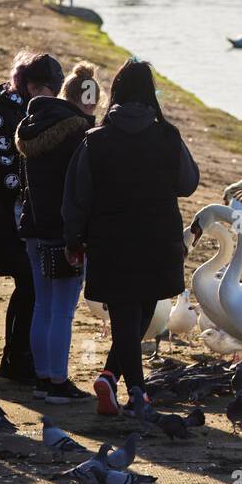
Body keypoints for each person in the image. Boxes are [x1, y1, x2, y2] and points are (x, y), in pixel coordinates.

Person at [63, 58, 199, 415]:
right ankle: (137, 392)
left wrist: (73, 239)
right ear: (151, 95)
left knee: (126, 312)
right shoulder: (168, 136)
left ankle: (112, 378)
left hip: (111, 240)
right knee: (141, 308)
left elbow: (77, 197)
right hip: (158, 239)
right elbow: (188, 183)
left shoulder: (95, 141)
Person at [0, 51, 64, 383]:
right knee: (28, 284)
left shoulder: (31, 113)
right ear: (27, 84)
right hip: (8, 215)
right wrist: (27, 187)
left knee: (30, 286)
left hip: (27, 212)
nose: (50, 96)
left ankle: (17, 356)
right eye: (44, 88)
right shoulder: (2, 116)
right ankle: (14, 359)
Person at [15, 62, 97, 403]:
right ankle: (57, 382)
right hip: (62, 231)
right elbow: (79, 189)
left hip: (33, 225)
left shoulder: (29, 125)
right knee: (62, 309)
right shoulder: (78, 132)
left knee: (42, 305)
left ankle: (41, 377)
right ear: (87, 98)